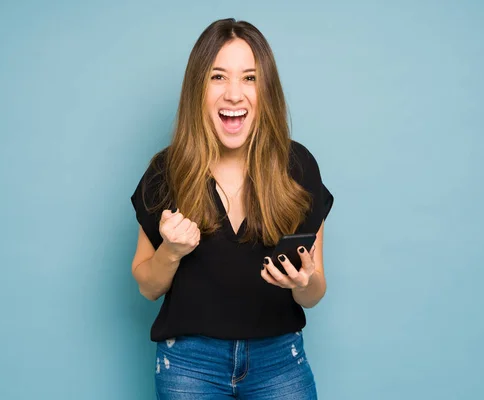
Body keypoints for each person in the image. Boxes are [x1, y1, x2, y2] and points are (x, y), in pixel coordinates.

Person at [130, 18, 334, 400]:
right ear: (198, 88)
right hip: (189, 365)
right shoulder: (166, 171)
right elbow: (146, 286)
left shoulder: (298, 167)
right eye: (218, 77)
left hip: (279, 362)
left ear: (266, 90)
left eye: (250, 78)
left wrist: (305, 283)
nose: (234, 94)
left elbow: (314, 291)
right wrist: (171, 252)